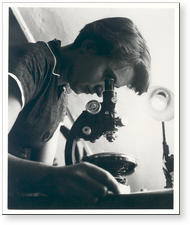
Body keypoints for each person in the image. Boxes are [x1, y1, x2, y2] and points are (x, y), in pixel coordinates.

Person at [8, 17, 151, 204]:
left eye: (111, 87)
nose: (102, 92)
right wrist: (53, 179)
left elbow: (42, 168)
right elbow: (47, 177)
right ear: (89, 47)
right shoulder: (33, 62)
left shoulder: (61, 93)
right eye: (107, 77)